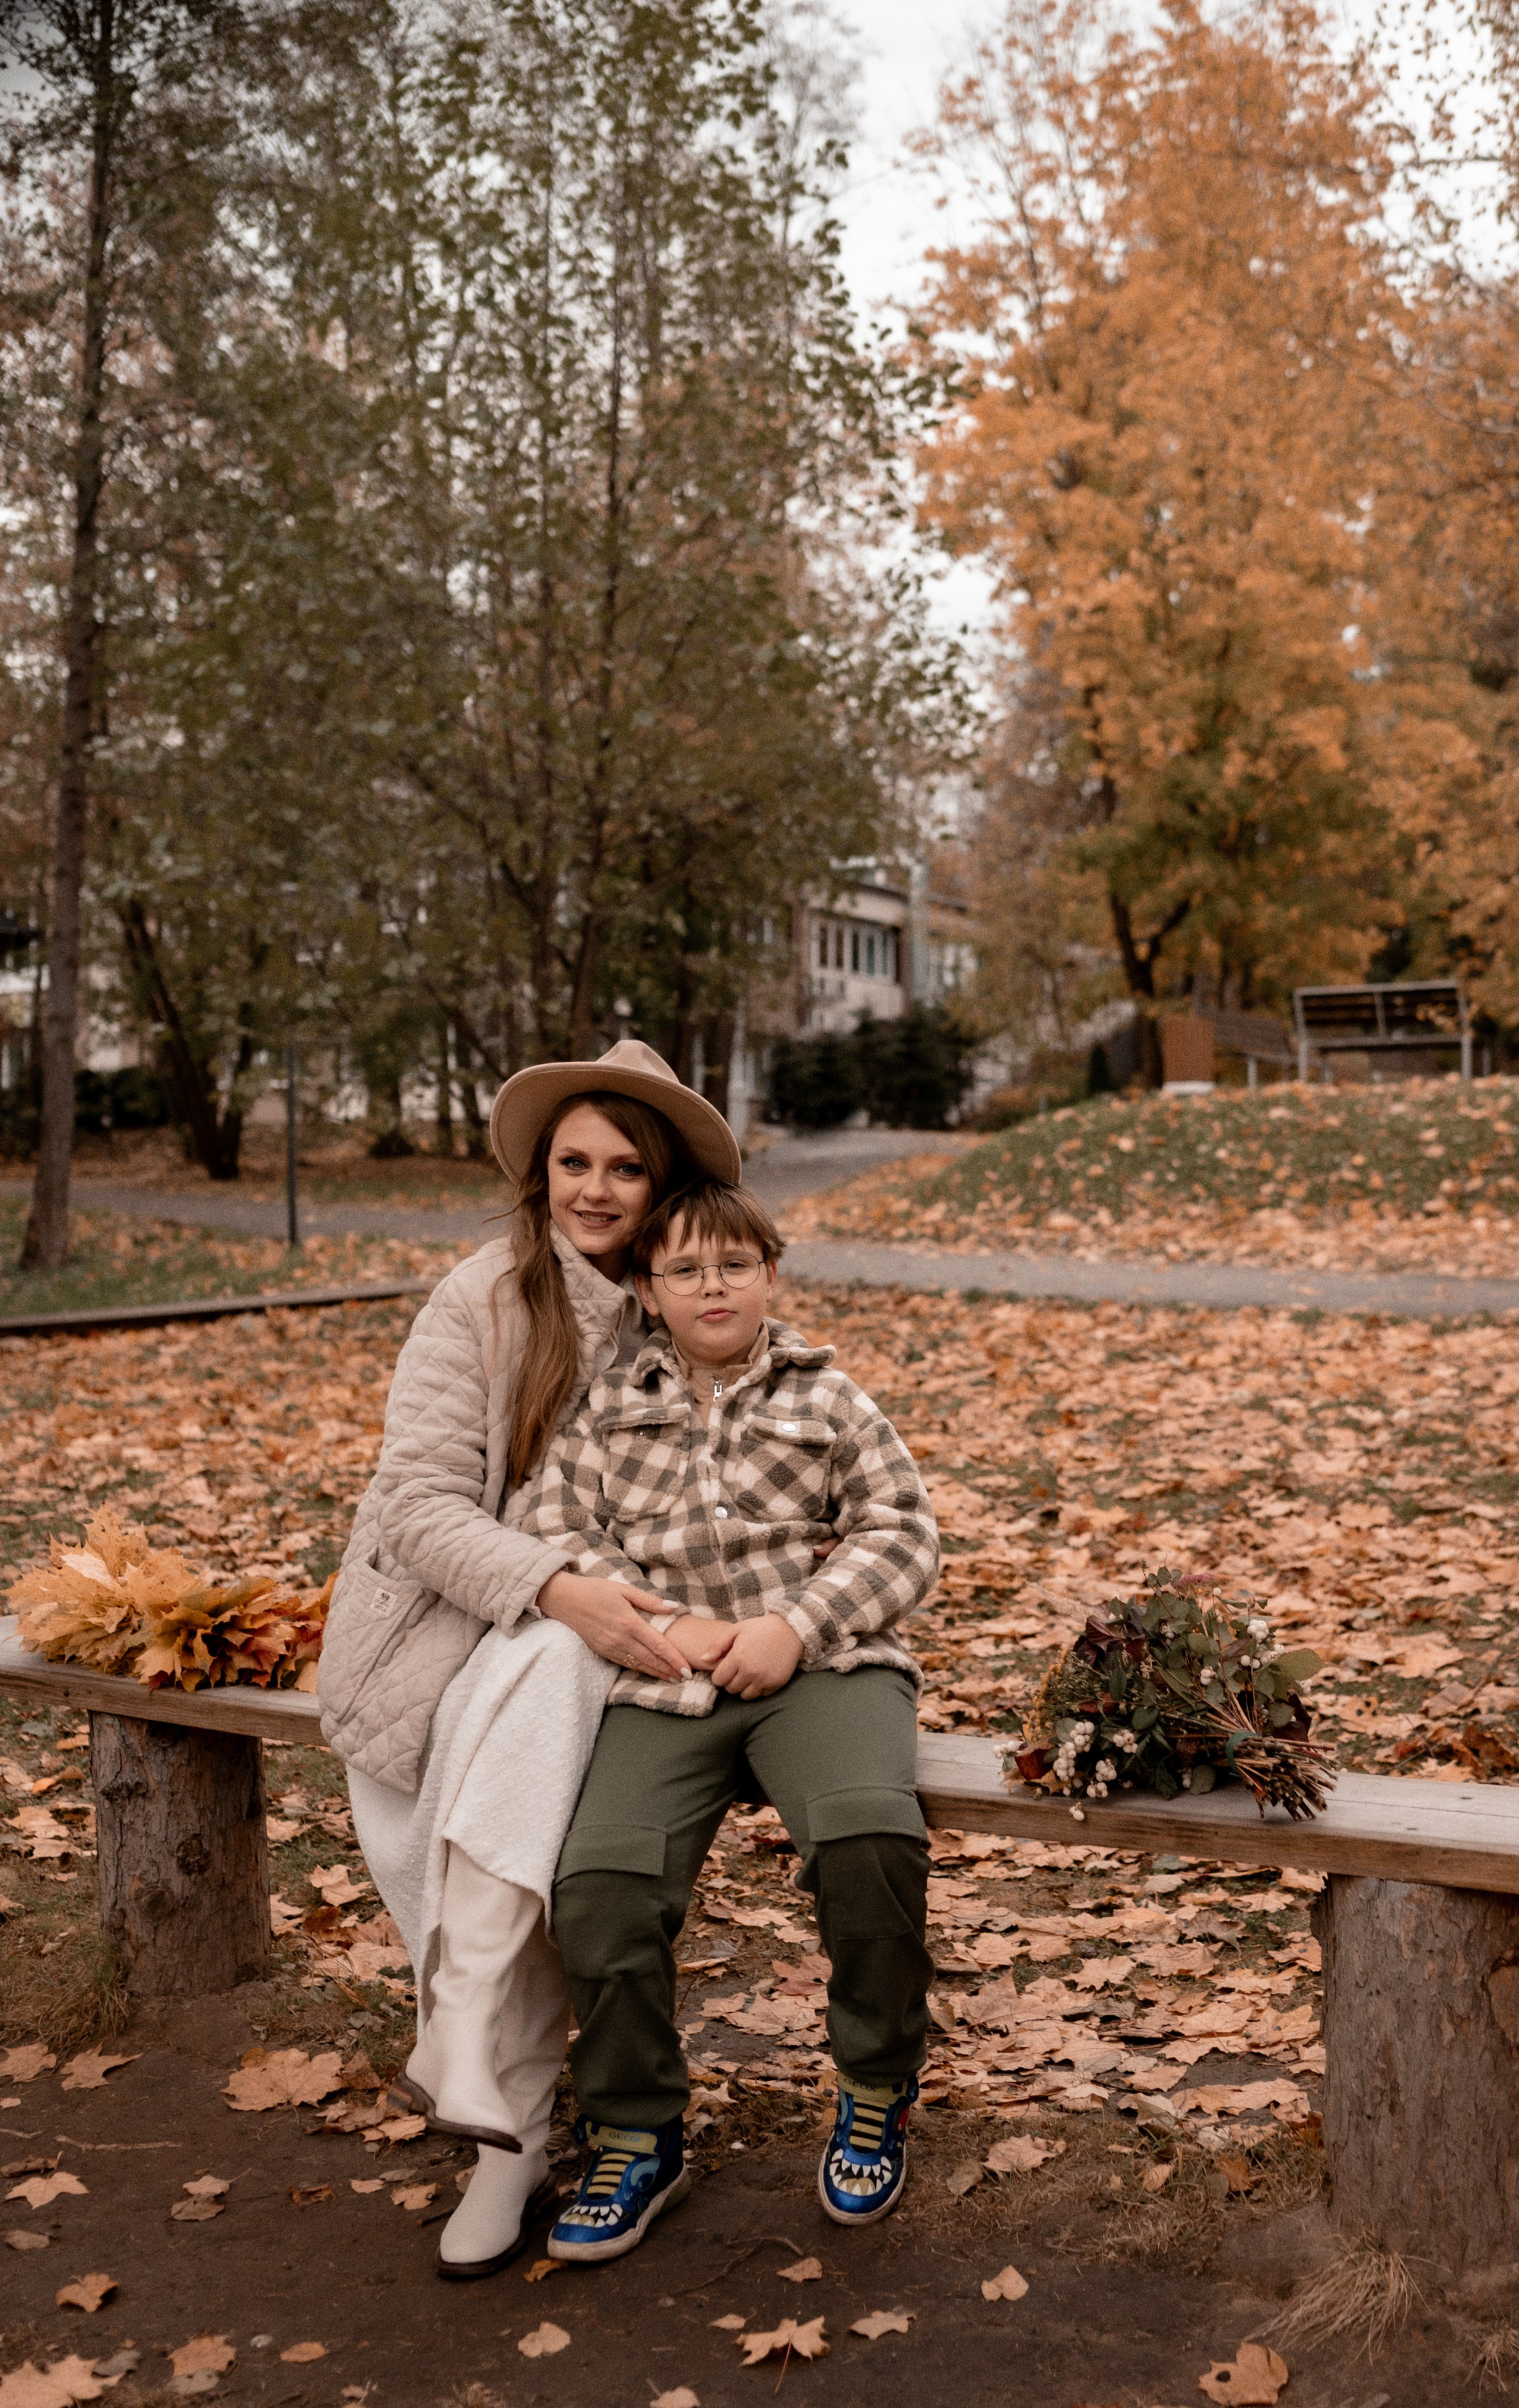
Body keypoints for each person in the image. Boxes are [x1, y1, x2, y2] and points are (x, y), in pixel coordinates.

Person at [317, 1041, 741, 2282]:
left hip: (633, 1632)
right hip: (442, 1622)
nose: (596, 1189)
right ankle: (500, 2100)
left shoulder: (696, 1297)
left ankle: (479, 2058)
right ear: (540, 1171)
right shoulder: (483, 1297)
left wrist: (607, 1598)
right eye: (573, 1162)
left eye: (624, 1166)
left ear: (659, 1181)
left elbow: (739, 1499)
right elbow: (414, 1505)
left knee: (565, 1670)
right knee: (551, 1654)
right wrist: (552, 1585)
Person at [510, 1177, 939, 2264]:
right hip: (665, 1676)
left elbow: (904, 1534)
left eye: (735, 1265)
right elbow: (562, 1531)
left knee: (870, 1841)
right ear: (648, 1293)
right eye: (687, 1269)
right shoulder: (608, 1408)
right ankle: (636, 2129)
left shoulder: (829, 1397)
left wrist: (796, 1623)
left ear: (770, 1276)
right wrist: (678, 1631)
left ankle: (876, 2085)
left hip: (822, 1667)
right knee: (599, 1883)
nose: (714, 1285)